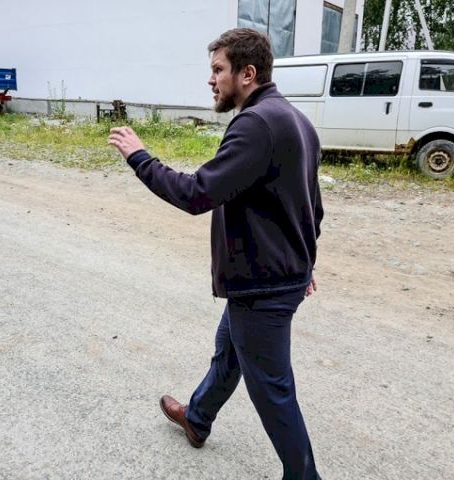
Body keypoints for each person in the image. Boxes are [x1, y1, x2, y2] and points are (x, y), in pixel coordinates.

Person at [109, 28, 324, 480]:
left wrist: (140, 158)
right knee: (229, 350)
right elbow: (312, 206)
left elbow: (197, 193)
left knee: (273, 390)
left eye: (218, 70)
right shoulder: (295, 119)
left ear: (247, 74)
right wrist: (307, 263)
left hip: (263, 284)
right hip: (274, 274)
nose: (211, 80)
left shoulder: (257, 123)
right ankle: (198, 417)